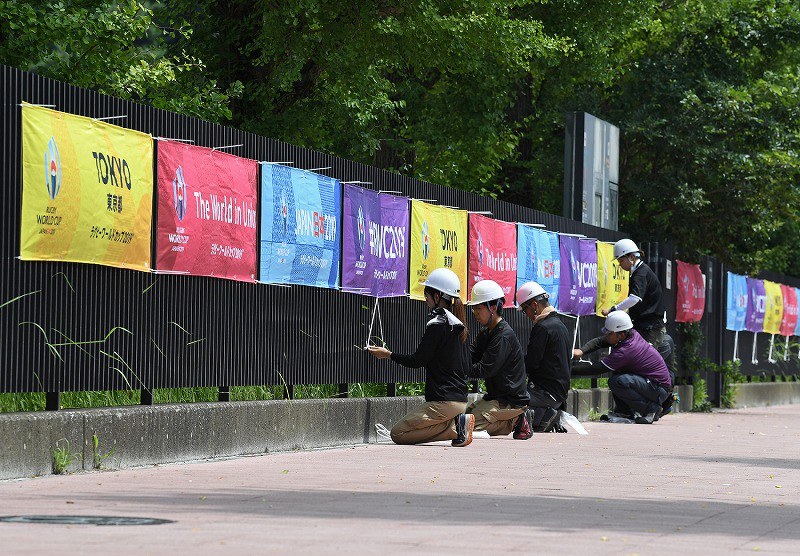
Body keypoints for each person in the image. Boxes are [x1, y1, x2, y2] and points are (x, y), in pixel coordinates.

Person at [367, 268, 475, 447]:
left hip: (443, 402)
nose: (426, 301)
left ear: (438, 296)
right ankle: (457, 423)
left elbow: (417, 360)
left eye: (427, 296)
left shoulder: (438, 324)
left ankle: (456, 429)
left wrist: (388, 355)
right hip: (460, 401)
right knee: (407, 431)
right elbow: (468, 366)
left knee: (398, 434)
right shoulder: (460, 326)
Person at [603, 238, 677, 397]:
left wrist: (614, 309)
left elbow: (635, 298)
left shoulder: (641, 273)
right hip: (646, 326)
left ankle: (652, 405)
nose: (620, 264)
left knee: (642, 366)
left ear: (631, 257)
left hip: (651, 329)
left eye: (621, 260)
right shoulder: (639, 272)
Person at [572, 311, 672, 424]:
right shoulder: (631, 334)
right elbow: (601, 341)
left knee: (618, 381)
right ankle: (624, 412)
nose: (606, 335)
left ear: (622, 335)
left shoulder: (627, 350)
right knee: (619, 373)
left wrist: (570, 370)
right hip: (653, 384)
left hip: (658, 388)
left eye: (609, 333)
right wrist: (582, 351)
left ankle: (651, 409)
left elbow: (598, 368)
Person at [464, 280, 530, 438]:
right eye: (474, 309)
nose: (475, 313)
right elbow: (470, 355)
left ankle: (516, 420)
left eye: (479, 308)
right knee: (463, 418)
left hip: (510, 401)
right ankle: (510, 418)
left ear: (493, 307)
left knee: (467, 426)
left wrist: (459, 367)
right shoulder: (486, 332)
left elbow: (485, 369)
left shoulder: (503, 336)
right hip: (495, 398)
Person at [515, 281, 571, 434]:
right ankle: (548, 414)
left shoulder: (543, 327)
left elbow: (532, 363)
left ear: (534, 305)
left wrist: (511, 368)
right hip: (559, 394)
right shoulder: (560, 325)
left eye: (524, 310)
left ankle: (542, 415)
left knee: (508, 397)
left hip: (543, 392)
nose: (525, 315)